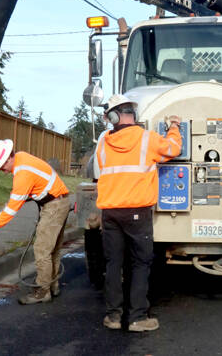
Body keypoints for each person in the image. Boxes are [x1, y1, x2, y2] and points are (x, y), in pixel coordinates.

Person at [95, 94, 182, 332]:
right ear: (133, 114)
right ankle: (137, 318)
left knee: (113, 264)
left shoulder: (103, 143)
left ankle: (113, 317)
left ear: (112, 117)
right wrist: (174, 127)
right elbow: (173, 149)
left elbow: (106, 169)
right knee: (140, 263)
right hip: (137, 211)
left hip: (110, 212)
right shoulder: (147, 139)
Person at [0, 139, 70, 304]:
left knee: (42, 249)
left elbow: (11, 208)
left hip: (54, 206)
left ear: (8, 158)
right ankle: (52, 285)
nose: (2, 171)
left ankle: (43, 292)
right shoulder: (22, 157)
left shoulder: (22, 174)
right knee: (52, 248)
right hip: (59, 201)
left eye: (1, 166)